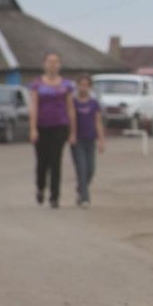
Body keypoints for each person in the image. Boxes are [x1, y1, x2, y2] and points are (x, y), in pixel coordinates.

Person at [28, 53, 74, 208]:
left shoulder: (66, 85)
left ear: (60, 65)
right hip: (42, 126)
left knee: (56, 161)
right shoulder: (37, 84)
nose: (53, 65)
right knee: (42, 161)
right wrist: (33, 128)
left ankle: (55, 196)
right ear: (44, 64)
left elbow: (70, 108)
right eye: (50, 62)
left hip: (60, 126)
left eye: (56, 62)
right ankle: (40, 187)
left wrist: (73, 131)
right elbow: (34, 106)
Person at [68, 75, 105, 207]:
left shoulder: (94, 104)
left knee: (91, 169)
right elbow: (71, 119)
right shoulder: (73, 102)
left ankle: (80, 189)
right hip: (78, 140)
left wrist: (101, 140)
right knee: (82, 168)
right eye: (81, 85)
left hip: (90, 139)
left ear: (90, 87)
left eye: (86, 85)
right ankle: (85, 198)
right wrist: (71, 134)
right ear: (77, 86)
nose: (83, 88)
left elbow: (98, 122)